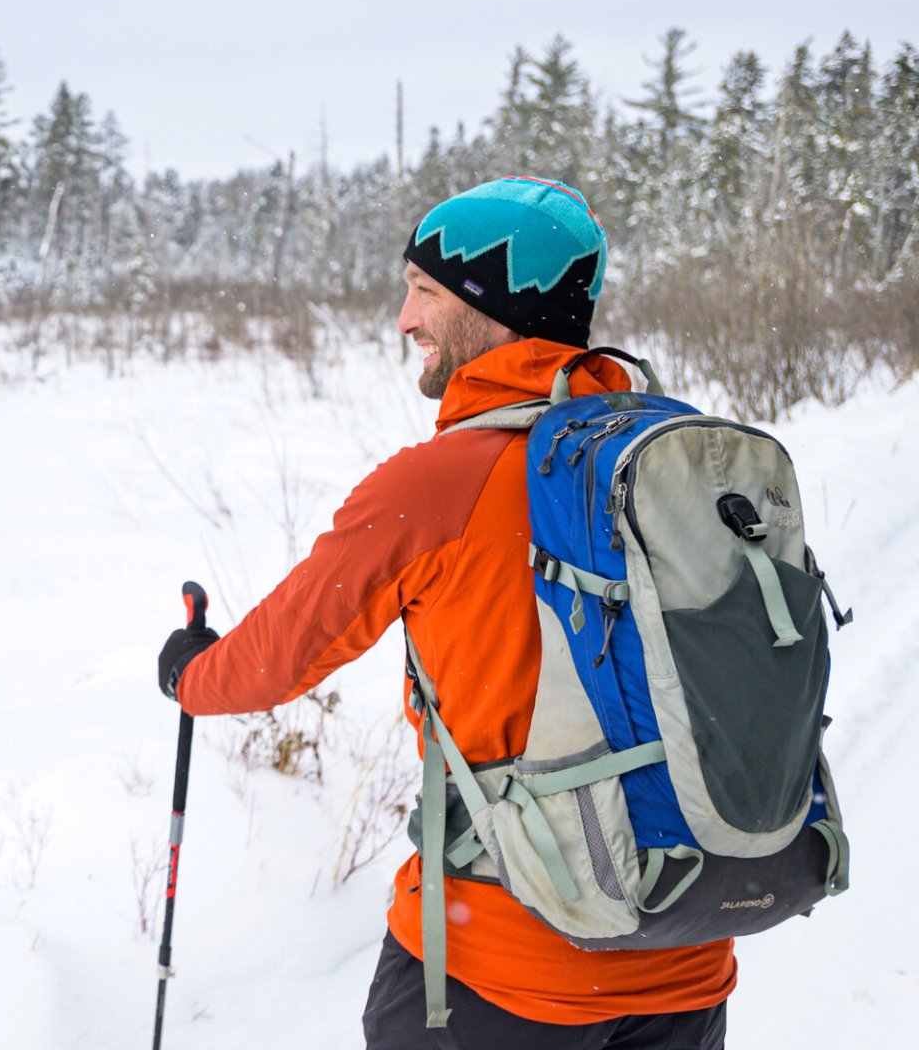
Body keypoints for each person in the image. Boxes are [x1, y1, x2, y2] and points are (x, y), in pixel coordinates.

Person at [155, 177, 731, 1049]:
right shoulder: (672, 458)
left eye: (424, 290)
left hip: (501, 967)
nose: (404, 319)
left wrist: (190, 673)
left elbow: (273, 661)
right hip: (687, 954)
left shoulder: (438, 486)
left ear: (494, 305)